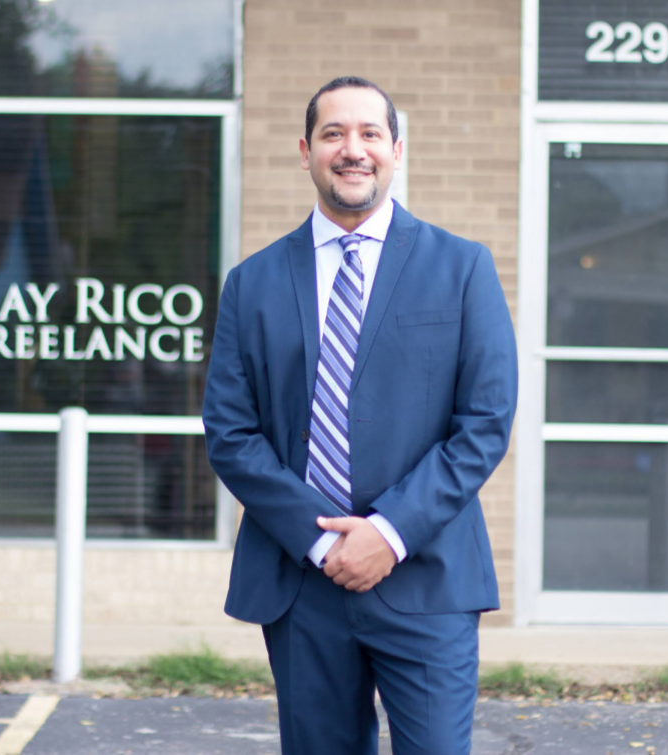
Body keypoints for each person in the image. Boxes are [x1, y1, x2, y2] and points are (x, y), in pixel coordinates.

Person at [203, 76, 518, 755]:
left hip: (426, 574)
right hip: (302, 580)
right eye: (333, 134)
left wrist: (389, 531)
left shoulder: (463, 268)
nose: (353, 150)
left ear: (397, 149)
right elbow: (231, 433)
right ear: (306, 150)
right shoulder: (252, 282)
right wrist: (322, 541)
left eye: (370, 133)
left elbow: (486, 421)